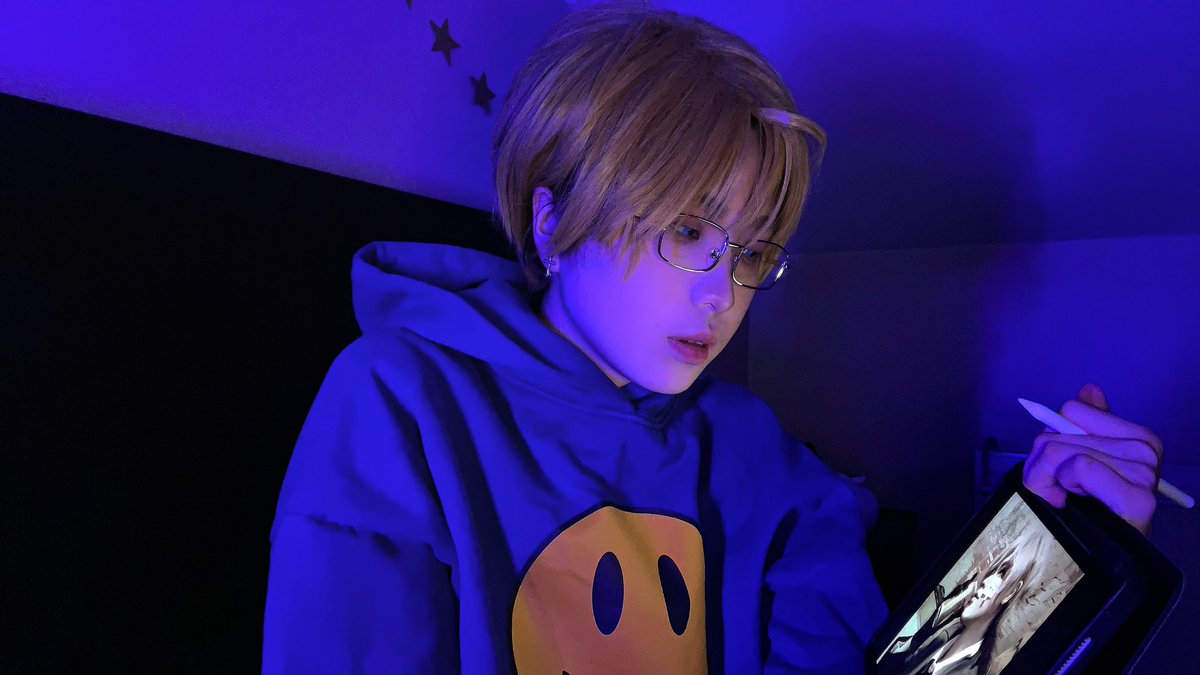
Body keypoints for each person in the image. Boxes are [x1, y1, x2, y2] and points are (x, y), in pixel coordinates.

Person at [261, 3, 1165, 673]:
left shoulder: (756, 453)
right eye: (687, 229)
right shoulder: (402, 400)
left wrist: (1041, 546)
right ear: (552, 221)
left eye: (752, 251)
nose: (723, 292)